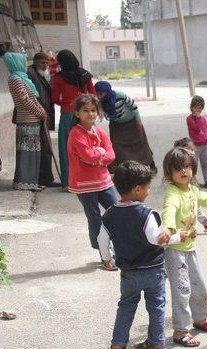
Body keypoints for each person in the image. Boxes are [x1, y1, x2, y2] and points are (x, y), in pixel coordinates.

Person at [99, 161, 188, 349]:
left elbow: (101, 239)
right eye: (147, 188)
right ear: (137, 189)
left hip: (129, 272)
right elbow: (157, 239)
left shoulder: (110, 215)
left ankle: (118, 344)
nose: (148, 192)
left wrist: (107, 258)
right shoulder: (146, 214)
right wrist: (177, 236)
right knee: (156, 305)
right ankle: (157, 342)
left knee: (126, 305)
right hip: (153, 270)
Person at [161, 147, 207, 347]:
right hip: (176, 252)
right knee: (182, 290)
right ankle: (181, 331)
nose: (184, 171)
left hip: (190, 248)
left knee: (198, 285)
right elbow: (169, 210)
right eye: (178, 168)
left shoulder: (192, 189)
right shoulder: (173, 193)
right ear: (169, 173)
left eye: (187, 167)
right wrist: (170, 228)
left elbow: (205, 198)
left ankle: (200, 319)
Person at [67, 95, 117, 270]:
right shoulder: (75, 133)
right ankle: (104, 253)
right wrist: (99, 154)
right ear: (77, 113)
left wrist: (98, 155)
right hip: (84, 183)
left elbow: (111, 155)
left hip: (103, 180)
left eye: (93, 110)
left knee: (117, 210)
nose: (90, 114)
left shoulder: (100, 132)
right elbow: (87, 155)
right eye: (85, 110)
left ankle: (118, 248)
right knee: (95, 218)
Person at [51, 49, 95, 188]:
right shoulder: (85, 75)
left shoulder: (58, 77)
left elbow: (54, 98)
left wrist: (65, 103)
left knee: (66, 149)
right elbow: (93, 95)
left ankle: (69, 183)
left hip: (67, 115)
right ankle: (88, 180)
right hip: (85, 114)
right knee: (87, 146)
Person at [4, 52, 46, 191]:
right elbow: (25, 100)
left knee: (33, 153)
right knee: (27, 154)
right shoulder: (16, 79)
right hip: (27, 121)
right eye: (22, 62)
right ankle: (25, 183)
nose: (24, 65)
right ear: (16, 63)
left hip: (32, 120)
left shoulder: (22, 78)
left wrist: (41, 111)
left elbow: (32, 99)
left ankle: (31, 182)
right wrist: (40, 112)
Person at [94, 81, 156, 174]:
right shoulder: (99, 102)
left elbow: (133, 106)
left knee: (141, 143)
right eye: (97, 94)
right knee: (116, 146)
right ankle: (123, 169)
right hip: (116, 126)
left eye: (101, 94)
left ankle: (150, 163)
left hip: (132, 122)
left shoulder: (120, 95)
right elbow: (99, 115)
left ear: (107, 92)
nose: (99, 96)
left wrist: (138, 120)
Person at [173, 137, 207, 232]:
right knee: (186, 210)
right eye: (190, 149)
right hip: (184, 194)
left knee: (197, 207)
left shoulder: (190, 162)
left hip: (192, 191)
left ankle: (205, 224)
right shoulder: (180, 166)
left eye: (193, 150)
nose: (193, 152)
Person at [27, 51, 59, 188]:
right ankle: (43, 179)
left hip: (45, 114)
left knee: (46, 147)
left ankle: (45, 178)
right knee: (43, 147)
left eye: (46, 62)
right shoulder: (30, 73)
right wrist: (40, 110)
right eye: (42, 62)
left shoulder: (45, 73)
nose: (45, 65)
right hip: (36, 115)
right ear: (35, 62)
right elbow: (31, 95)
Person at [186, 96, 207, 188]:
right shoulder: (189, 119)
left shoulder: (203, 119)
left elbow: (206, 131)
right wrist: (197, 118)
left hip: (204, 145)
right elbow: (197, 129)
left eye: (200, 108)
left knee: (205, 165)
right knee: (194, 165)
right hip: (195, 146)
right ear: (192, 107)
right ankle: (191, 183)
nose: (198, 110)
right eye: (196, 107)